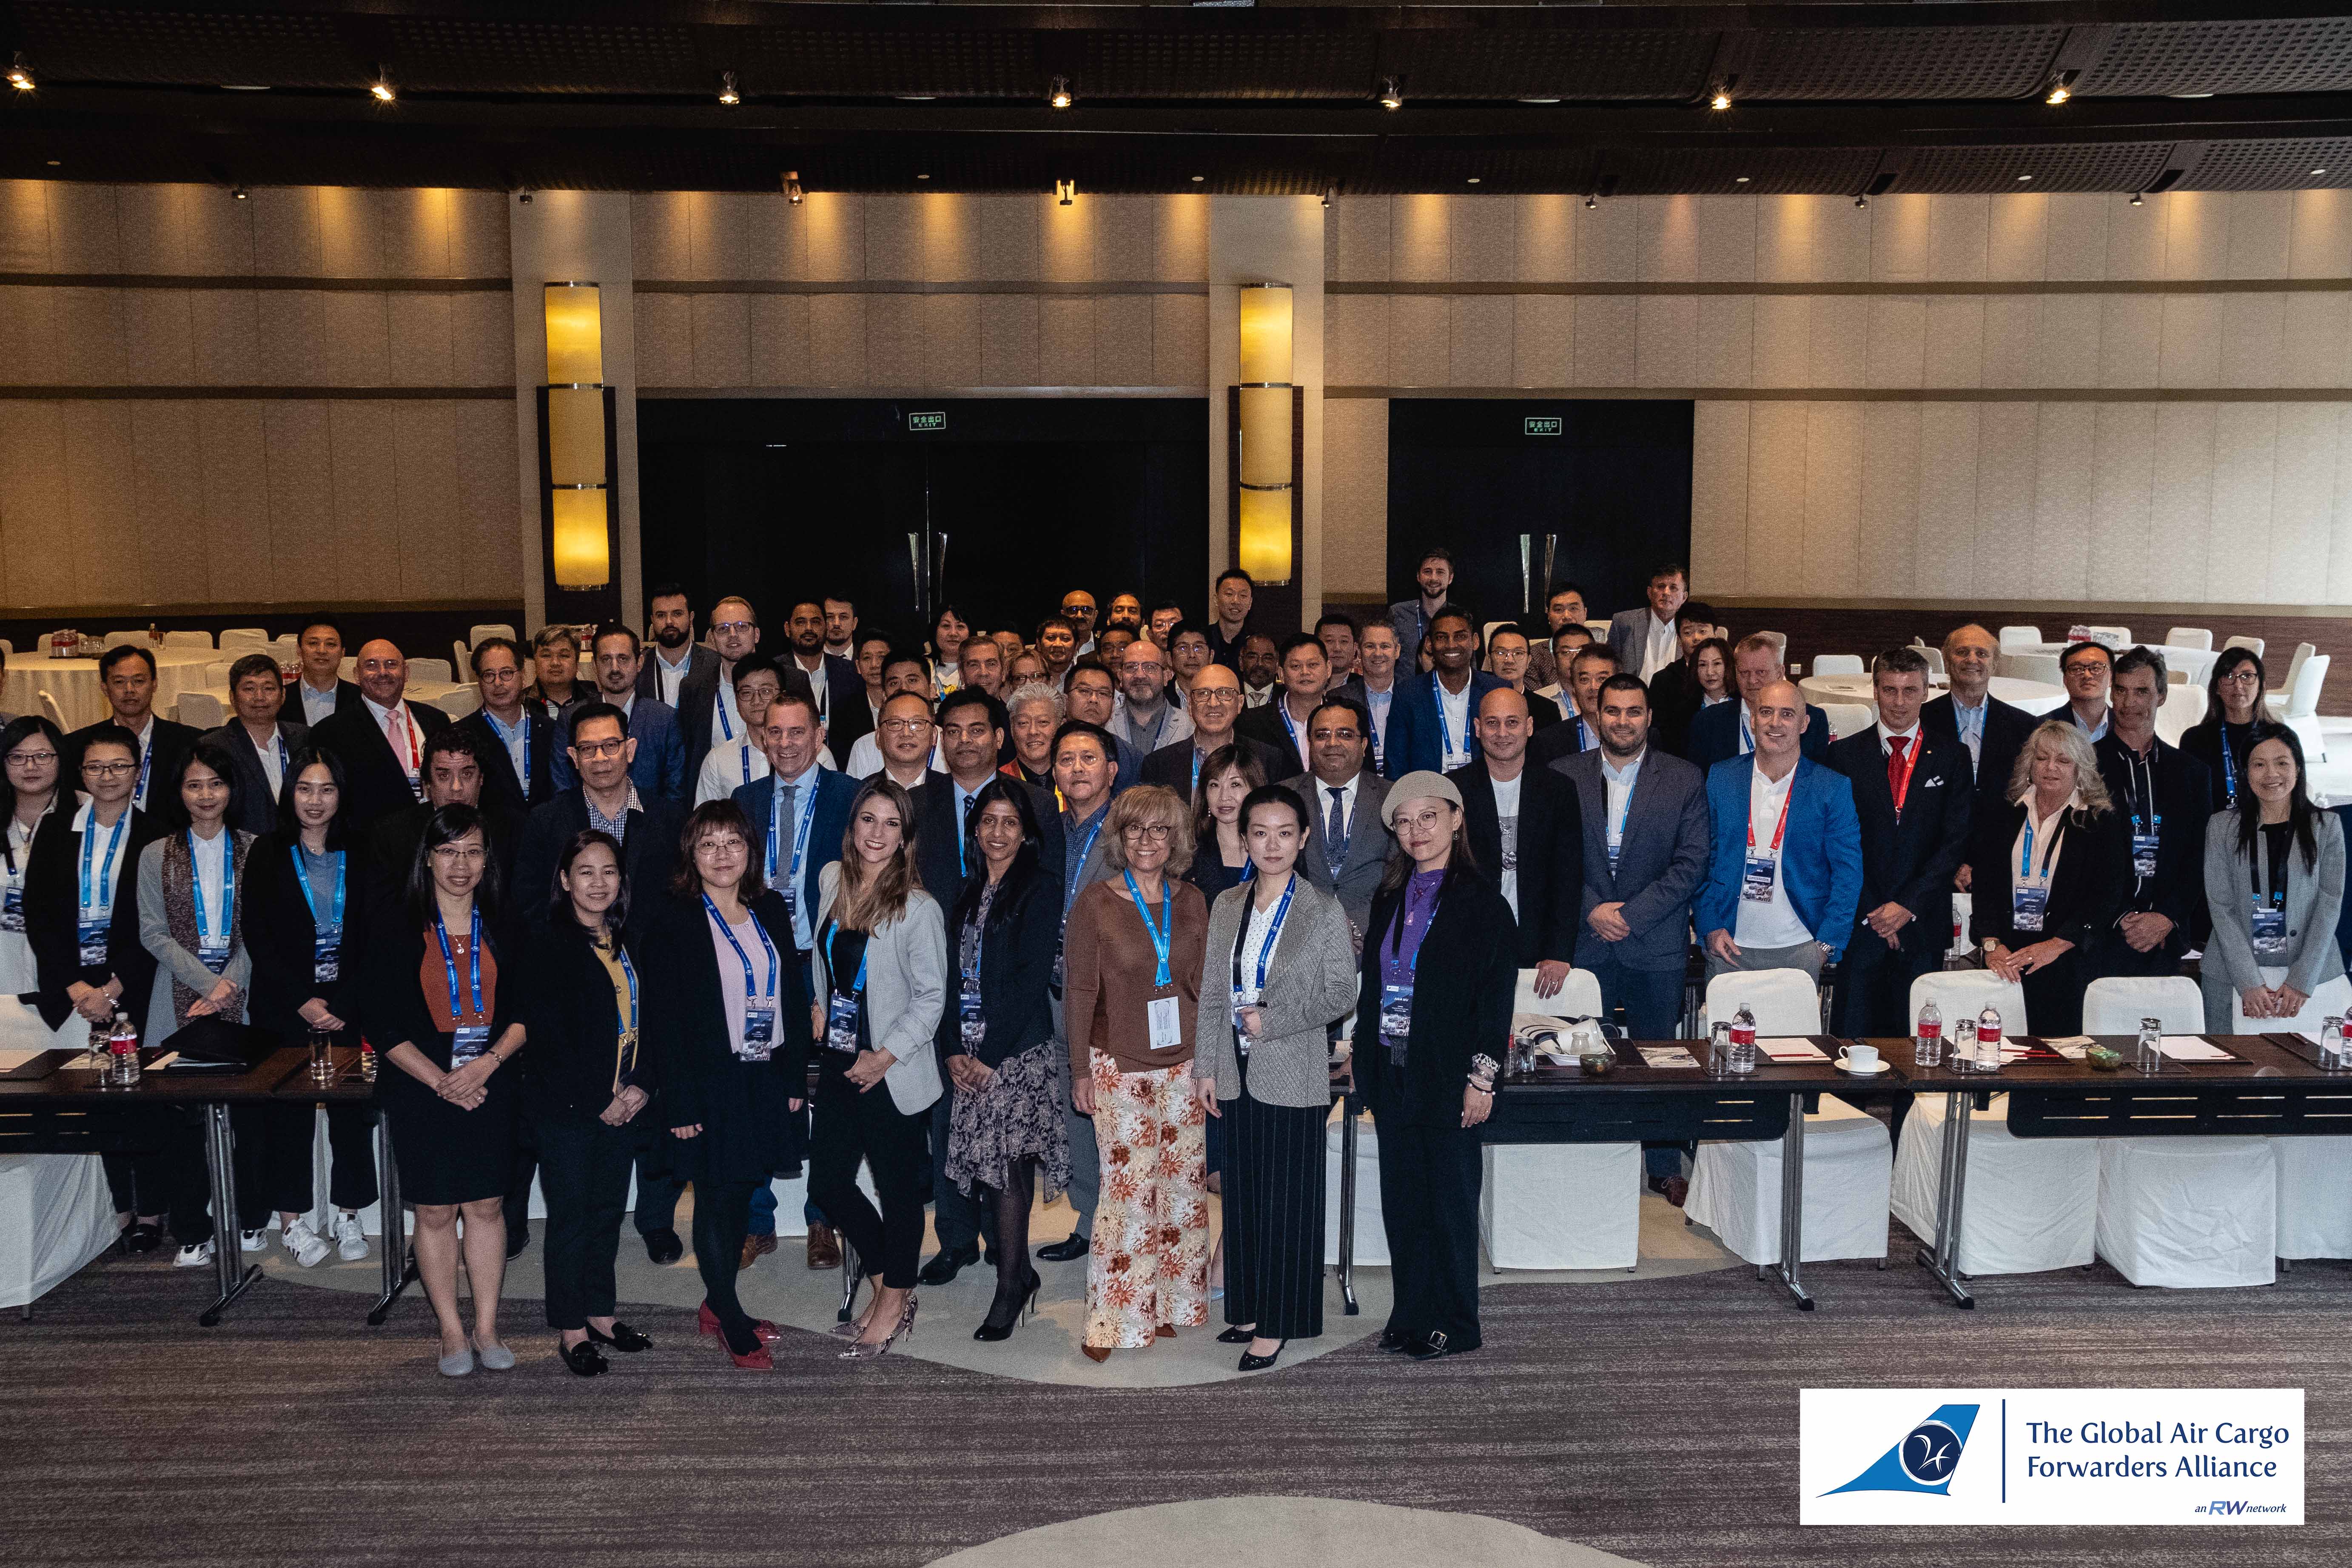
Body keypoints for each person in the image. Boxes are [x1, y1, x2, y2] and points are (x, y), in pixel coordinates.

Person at [512, 702, 686, 1261]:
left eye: (611, 745)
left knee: (650, 1099)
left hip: (651, 978)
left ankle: (656, 1219)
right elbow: (527, 903)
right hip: (575, 980)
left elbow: (684, 902)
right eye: (588, 748)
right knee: (580, 1102)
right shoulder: (547, 820)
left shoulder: (669, 816)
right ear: (572, 756)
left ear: (630, 749)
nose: (602, 757)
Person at [638, 801, 810, 1369]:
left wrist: (792, 1075)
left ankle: (718, 1303)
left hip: (764, 1073)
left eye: (733, 842)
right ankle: (730, 1318)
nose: (721, 854)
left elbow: (790, 993)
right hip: (707, 1080)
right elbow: (663, 1019)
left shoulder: (769, 907)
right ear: (690, 854)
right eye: (708, 844)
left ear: (750, 851)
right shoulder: (673, 917)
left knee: (742, 1190)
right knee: (716, 1197)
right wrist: (680, 1100)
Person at [1351, 771, 1515, 1361]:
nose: (1416, 830)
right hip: (1393, 1067)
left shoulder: (1483, 902)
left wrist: (1481, 1079)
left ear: (1456, 819)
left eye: (1428, 817)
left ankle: (1455, 1322)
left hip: (1450, 1075)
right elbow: (1376, 988)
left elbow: (1494, 1001)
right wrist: (1364, 1062)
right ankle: (1411, 1313)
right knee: (1403, 1203)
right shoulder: (1388, 896)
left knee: (1448, 1203)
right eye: (1403, 821)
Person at [1193, 784, 1358, 1371]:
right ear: (1244, 838)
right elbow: (1213, 992)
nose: (1271, 844)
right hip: (1234, 1070)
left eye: (1284, 833)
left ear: (1303, 838)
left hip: (1292, 1070)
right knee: (1243, 1197)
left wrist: (1275, 1019)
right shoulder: (1227, 903)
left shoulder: (1322, 909)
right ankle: (1247, 1307)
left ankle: (1279, 1323)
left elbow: (1342, 992)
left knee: (1287, 1203)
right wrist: (1206, 1065)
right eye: (1259, 833)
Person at [358, 803, 526, 1377]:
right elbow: (381, 1022)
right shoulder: (396, 922)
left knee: (486, 1205)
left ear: (487, 860)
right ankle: (451, 1331)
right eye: (448, 851)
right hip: (419, 1084)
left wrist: (486, 1065)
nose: (461, 864)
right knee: (433, 1210)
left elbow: (528, 1011)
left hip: (491, 1082)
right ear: (427, 858)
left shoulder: (506, 921)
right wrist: (442, 1081)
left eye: (473, 851)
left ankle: (487, 1326)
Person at [909, 694, 1062, 1288]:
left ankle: (1006, 1246)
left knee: (1004, 1143)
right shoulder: (917, 804)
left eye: (977, 729)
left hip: (1006, 1007)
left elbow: (1042, 911)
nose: (964, 740)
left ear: (1000, 737)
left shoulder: (1037, 804)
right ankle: (954, 1239)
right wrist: (951, 1036)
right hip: (942, 988)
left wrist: (991, 1046)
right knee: (948, 1123)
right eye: (952, 730)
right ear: (938, 738)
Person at [1062, 783, 1210, 1360]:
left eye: (1159, 829)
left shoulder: (1192, 900)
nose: (1147, 840)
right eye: (1134, 829)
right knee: (1127, 1195)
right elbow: (1079, 991)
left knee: (1180, 1192)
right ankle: (1109, 1322)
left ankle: (1165, 1305)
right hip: (1116, 1065)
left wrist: (1210, 1062)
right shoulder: (1095, 902)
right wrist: (1079, 1069)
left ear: (1176, 838)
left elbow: (1205, 989)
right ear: (1120, 837)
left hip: (1184, 1065)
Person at [1556, 674, 1708, 1201]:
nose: (1622, 721)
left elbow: (1691, 863)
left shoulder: (1684, 778)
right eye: (1613, 711)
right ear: (1595, 715)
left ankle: (1662, 1164)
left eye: (1633, 711)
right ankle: (1589, 1155)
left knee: (1658, 1057)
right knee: (1581, 1055)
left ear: (1649, 718)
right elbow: (1550, 858)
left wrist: (1631, 914)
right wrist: (1592, 910)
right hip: (1586, 940)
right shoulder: (1562, 774)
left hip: (1655, 941)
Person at [810, 778, 946, 1359]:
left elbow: (932, 997)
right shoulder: (831, 880)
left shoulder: (919, 908)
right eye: (868, 819)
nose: (877, 833)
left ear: (905, 837)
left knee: (897, 1193)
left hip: (892, 1068)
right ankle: (887, 1282)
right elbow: (823, 956)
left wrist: (885, 1055)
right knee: (827, 1184)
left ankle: (893, 1301)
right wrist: (817, 1003)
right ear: (852, 825)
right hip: (839, 1057)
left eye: (892, 823)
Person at [27, 731, 171, 1248]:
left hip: (133, 985)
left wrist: (112, 988)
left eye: (119, 766)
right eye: (95, 767)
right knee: (95, 1099)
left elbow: (156, 922)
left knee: (144, 1099)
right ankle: (118, 1210)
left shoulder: (157, 834)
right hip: (72, 992)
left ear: (137, 772)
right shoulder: (55, 830)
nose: (107, 777)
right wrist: (76, 986)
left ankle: (151, 1211)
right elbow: (40, 914)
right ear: (81, 773)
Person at [524, 830, 656, 1377]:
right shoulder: (547, 943)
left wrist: (641, 1085)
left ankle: (601, 1313)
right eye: (585, 872)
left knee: (606, 1214)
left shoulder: (628, 939)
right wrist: (600, 1098)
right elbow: (546, 1039)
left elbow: (653, 1021)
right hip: (570, 1110)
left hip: (625, 1103)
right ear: (564, 879)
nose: (598, 883)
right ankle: (571, 1328)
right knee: (571, 1219)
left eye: (609, 872)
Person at [733, 692, 857, 1267]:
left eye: (796, 732)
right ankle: (756, 1221)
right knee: (756, 1082)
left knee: (832, 1092)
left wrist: (826, 988)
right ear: (762, 738)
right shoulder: (745, 800)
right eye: (774, 733)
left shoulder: (850, 796)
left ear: (819, 735)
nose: (785, 743)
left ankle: (822, 1218)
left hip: (826, 964)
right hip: (760, 967)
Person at [245, 746, 375, 1267]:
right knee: (288, 1116)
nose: (315, 800)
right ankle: (293, 1221)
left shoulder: (363, 849)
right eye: (304, 789)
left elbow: (377, 935)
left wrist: (344, 1001)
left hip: (349, 1004)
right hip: (286, 1006)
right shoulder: (267, 851)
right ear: (289, 794)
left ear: (341, 796)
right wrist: (303, 1001)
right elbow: (258, 935)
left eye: (326, 789)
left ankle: (349, 1214)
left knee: (351, 1113)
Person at [134, 741, 263, 1261]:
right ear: (180, 793)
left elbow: (265, 929)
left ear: (232, 790)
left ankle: (252, 1219)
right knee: (182, 1119)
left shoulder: (257, 849)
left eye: (216, 783)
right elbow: (151, 931)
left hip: (245, 993)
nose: (206, 795)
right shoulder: (154, 854)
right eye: (194, 785)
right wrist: (209, 984)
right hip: (175, 995)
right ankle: (192, 1228)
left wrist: (229, 983)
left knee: (249, 1116)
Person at [1825, 650, 1974, 1037]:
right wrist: (1877, 911)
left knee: (1916, 1045)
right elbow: (1838, 845)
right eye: (1890, 690)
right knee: (1853, 1041)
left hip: (1922, 923)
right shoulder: (1843, 755)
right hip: (1863, 922)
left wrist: (1907, 905)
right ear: (1875, 691)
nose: (1899, 702)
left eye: (1910, 691)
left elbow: (1954, 841)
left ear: (1926, 692)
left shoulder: (1953, 757)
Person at [1969, 722, 2131, 1037]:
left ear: (2080, 769)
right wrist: (1991, 943)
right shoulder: (2005, 813)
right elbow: (1985, 886)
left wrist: (2056, 945)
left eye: (2063, 760)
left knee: (2059, 1059)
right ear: (2029, 764)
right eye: (2042, 758)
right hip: (2006, 961)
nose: (2051, 767)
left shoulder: (2100, 821)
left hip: (2067, 963)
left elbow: (2107, 895)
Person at [1696, 680, 1862, 985]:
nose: (1775, 723)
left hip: (1800, 946)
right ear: (1753, 720)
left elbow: (1848, 873)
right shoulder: (1722, 777)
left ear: (1804, 724)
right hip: (1728, 945)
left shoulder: (1831, 787)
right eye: (1766, 712)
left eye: (1787, 714)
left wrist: (1826, 945)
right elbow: (1702, 858)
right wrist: (1710, 927)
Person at [1041, 719, 1124, 1265]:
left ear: (1111, 770)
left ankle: (1120, 1221)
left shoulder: (1129, 828)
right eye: (1066, 759)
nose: (1077, 768)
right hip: (1054, 988)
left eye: (1088, 758)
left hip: (1111, 993)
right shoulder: (1049, 830)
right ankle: (1090, 1218)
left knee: (1113, 1111)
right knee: (1074, 1107)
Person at [2201, 728, 2345, 1030]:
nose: (2271, 774)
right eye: (2259, 764)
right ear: (2245, 772)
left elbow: (2329, 905)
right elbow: (2221, 906)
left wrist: (2301, 980)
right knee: (2227, 1058)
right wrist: (2248, 981)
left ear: (2298, 768)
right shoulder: (2221, 826)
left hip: (2310, 978)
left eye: (2282, 763)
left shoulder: (2326, 826)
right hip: (2231, 974)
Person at [2092, 647, 2211, 982]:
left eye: (2142, 691)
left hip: (2168, 936)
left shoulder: (2192, 773)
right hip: (2100, 932)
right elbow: (2078, 857)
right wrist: (2122, 918)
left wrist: (2166, 917)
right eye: (2121, 690)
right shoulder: (2085, 766)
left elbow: (2200, 854)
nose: (2129, 702)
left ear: (2162, 695)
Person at [1455, 687, 1583, 993]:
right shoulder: (1454, 790)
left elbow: (1568, 877)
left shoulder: (1558, 790)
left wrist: (1559, 952)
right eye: (1492, 723)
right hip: (1469, 941)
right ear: (1477, 728)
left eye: (1512, 722)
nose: (1502, 733)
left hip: (1539, 947)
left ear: (1529, 727)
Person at [307, 638, 453, 836]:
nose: (383, 672)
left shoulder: (436, 721)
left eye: (391, 664)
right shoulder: (330, 733)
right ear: (357, 675)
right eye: (372, 665)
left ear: (406, 672)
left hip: (436, 837)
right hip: (369, 844)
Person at [1283, 697, 1391, 939]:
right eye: (1322, 735)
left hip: (1375, 937)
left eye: (1345, 734)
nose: (1333, 743)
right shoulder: (1283, 798)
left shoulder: (1391, 798)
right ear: (1310, 743)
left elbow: (1399, 877)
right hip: (1297, 937)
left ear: (1363, 744)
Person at [64, 645, 199, 824]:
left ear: (154, 684)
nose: (130, 689)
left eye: (139, 681)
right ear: (104, 688)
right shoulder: (76, 746)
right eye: (119, 682)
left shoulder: (189, 743)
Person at [551, 626, 686, 802]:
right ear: (594, 665)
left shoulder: (664, 719)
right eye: (606, 659)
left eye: (623, 659)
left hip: (651, 818)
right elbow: (563, 787)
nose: (615, 668)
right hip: (584, 818)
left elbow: (675, 791)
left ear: (639, 663)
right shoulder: (570, 718)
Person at [1921, 623, 2037, 823]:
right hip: (1935, 828)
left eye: (1982, 654)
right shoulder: (1922, 719)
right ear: (1947, 661)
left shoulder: (2024, 725)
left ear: (1994, 664)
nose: (1972, 660)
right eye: (1962, 652)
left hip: (2001, 829)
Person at [0, 716, 68, 1048]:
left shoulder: (88, 813)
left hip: (71, 982)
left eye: (42, 756)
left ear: (60, 758)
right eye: (17, 756)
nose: (30, 766)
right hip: (5, 969)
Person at [1684, 634, 1833, 773]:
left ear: (1780, 674)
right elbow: (1697, 780)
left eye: (1761, 672)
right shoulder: (1708, 721)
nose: (1752, 681)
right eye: (1745, 673)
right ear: (1736, 674)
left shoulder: (1813, 720)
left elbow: (1817, 779)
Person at [1386, 606, 1505, 779]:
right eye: (1442, 638)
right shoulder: (1407, 696)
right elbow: (1395, 766)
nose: (1451, 645)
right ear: (1429, 644)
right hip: (1428, 791)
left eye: (1460, 637)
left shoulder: (1497, 691)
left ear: (1475, 641)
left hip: (1485, 789)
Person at [1140, 663, 1286, 796]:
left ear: (1240, 703)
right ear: (1190, 705)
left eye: (1225, 693)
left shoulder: (1270, 761)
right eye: (1203, 694)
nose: (1214, 703)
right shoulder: (1158, 765)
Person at [207, 652, 307, 835]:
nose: (260, 697)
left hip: (301, 843)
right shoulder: (213, 748)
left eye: (269, 688)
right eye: (249, 689)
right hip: (242, 848)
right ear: (232, 697)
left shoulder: (305, 738)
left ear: (283, 695)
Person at [458, 637, 555, 818]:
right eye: (489, 675)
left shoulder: (550, 729)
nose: (498, 683)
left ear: (523, 675)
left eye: (506, 673)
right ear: (478, 681)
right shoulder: (462, 736)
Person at [2180, 645, 2275, 813]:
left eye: (2247, 676)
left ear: (2261, 685)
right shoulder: (2195, 740)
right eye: (2229, 676)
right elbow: (2187, 804)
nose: (2238, 685)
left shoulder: (2278, 738)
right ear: (2217, 687)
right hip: (2212, 827)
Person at [1238, 634, 1338, 777]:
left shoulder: (1345, 719)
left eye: (1313, 665)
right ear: (1281, 674)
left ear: (1328, 669)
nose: (1305, 672)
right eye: (1296, 666)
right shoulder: (1251, 724)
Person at [693, 653, 786, 806]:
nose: (757, 701)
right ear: (737, 700)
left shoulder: (811, 753)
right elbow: (705, 819)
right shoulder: (718, 760)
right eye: (747, 693)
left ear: (782, 696)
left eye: (766, 691)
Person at [784, 600, 869, 751]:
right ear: (787, 629)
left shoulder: (851, 673)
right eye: (801, 622)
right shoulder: (775, 673)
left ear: (826, 628)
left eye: (816, 622)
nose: (809, 628)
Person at [843, 652, 943, 779]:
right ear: (884, 696)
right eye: (894, 683)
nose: (904, 688)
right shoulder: (864, 747)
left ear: (932, 691)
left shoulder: (949, 741)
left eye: (912, 680)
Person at [1187, 746, 1267, 902]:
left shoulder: (1274, 848)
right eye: (1214, 785)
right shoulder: (1189, 852)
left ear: (1255, 788)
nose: (1224, 796)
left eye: (1235, 784)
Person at [1529, 645, 1617, 766]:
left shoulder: (1635, 734)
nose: (1593, 687)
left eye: (1602, 679)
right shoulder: (1549, 741)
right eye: (1584, 679)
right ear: (1574, 687)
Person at [639, 583, 717, 713]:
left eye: (677, 614)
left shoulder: (714, 664)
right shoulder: (639, 666)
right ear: (652, 620)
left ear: (691, 618)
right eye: (661, 615)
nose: (669, 621)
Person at [1608, 561, 1690, 682]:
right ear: (1650, 593)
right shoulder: (1624, 622)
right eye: (1661, 587)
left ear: (1684, 597)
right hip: (1632, 692)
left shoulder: (1690, 629)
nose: (1666, 593)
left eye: (1673, 588)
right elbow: (1608, 665)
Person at [1111, 640, 1192, 756]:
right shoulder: (1106, 723)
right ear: (1121, 677)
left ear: (1166, 677)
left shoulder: (1188, 726)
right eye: (1131, 667)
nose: (1140, 675)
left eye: (1150, 667)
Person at [1387, 547, 1456, 674]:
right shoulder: (1398, 613)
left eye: (1440, 572)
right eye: (1428, 572)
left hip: (1448, 687)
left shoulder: (1459, 618)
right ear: (1418, 576)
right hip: (1407, 686)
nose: (1433, 578)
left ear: (1450, 578)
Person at [858, 692, 940, 792]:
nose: (906, 733)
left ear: (934, 736)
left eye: (917, 723)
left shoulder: (951, 791)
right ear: (878, 737)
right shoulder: (860, 793)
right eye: (895, 724)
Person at [1484, 626, 1563, 728]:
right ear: (1489, 659)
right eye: (1501, 653)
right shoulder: (1477, 702)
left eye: (1518, 653)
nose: (1509, 660)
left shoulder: (1547, 709)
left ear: (1529, 660)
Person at [292, 616, 362, 726]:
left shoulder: (361, 698)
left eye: (331, 644)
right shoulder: (279, 698)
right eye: (313, 643)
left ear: (343, 652)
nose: (322, 651)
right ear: (299, 650)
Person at [1357, 620, 1403, 775]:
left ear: (1397, 651)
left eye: (1385, 646)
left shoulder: (1414, 696)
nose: (1378, 653)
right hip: (1360, 784)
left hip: (1405, 782)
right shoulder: (1341, 697)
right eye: (1370, 646)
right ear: (1359, 651)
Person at [1004, 681, 1061, 787]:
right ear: (1012, 729)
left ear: (1060, 726)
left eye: (1043, 722)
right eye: (1023, 723)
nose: (1033, 732)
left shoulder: (1074, 778)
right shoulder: (999, 782)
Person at [524, 625, 585, 723]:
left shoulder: (595, 702)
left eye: (564, 656)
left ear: (577, 664)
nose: (555, 663)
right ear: (535, 662)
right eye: (546, 656)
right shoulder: (521, 704)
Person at [2059, 640, 2113, 741]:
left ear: (2111, 678)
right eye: (2077, 669)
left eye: (2096, 668)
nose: (2087, 675)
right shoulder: (2043, 726)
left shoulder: (2128, 725)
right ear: (2065, 680)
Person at [849, 628, 896, 739]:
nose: (874, 665)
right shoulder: (844, 711)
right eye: (867, 658)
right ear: (858, 666)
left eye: (881, 657)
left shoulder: (907, 703)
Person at [1206, 567, 1254, 671]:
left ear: (1250, 603)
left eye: (1243, 595)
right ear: (1216, 600)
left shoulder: (1255, 643)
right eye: (1229, 594)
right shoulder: (1203, 639)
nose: (1236, 601)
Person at [930, 604, 970, 693]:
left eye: (960, 627)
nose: (953, 633)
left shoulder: (978, 668)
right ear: (935, 631)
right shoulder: (920, 666)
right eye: (946, 626)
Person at [1316, 611, 1363, 683]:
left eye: (1344, 641)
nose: (1337, 648)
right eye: (1329, 641)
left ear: (1355, 648)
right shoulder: (1304, 684)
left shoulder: (1366, 686)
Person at [958, 634, 1006, 702]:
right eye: (974, 665)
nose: (983, 673)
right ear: (961, 674)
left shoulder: (1013, 709)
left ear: (1003, 672)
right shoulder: (948, 709)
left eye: (991, 664)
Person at [1238, 633, 1281, 709]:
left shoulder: (1288, 698)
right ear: (1241, 662)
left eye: (1267, 658)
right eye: (1253, 657)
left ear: (1277, 665)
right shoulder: (1231, 695)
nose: (1260, 664)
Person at [1036, 616, 1079, 684]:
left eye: (1065, 639)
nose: (1058, 644)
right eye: (1051, 638)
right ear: (1039, 644)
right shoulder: (1028, 676)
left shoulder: (1086, 677)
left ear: (1076, 646)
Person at [1059, 590, 1101, 657]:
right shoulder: (1054, 645)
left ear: (1095, 615)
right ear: (1063, 615)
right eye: (1073, 610)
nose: (1080, 616)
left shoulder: (1103, 645)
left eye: (1086, 610)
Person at [822, 595, 860, 663]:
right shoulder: (809, 658)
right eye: (830, 617)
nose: (837, 624)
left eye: (843, 617)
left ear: (854, 623)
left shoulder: (865, 659)